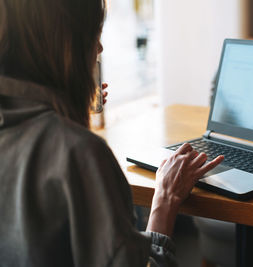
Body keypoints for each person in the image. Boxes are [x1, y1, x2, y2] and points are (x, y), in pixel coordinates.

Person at [0, 0, 224, 266]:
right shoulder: (79, 155)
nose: (99, 48)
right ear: (68, 43)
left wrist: (63, 113)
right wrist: (165, 200)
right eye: (94, 34)